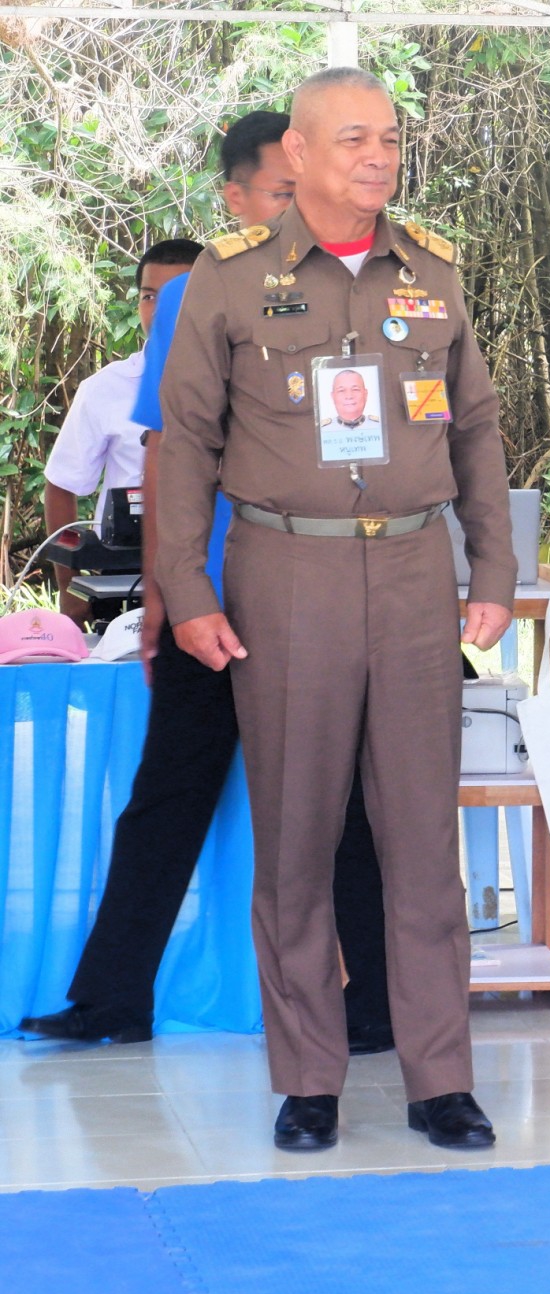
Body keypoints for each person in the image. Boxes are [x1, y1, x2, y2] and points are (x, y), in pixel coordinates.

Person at [155, 73, 512, 1150]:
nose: (379, 157)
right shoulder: (227, 280)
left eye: (390, 139)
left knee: (422, 841)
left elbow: (477, 431)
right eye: (354, 139)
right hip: (285, 574)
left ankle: (440, 1079)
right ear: (299, 155)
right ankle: (308, 1080)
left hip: (412, 573)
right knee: (296, 839)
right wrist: (186, 591)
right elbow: (186, 445)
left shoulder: (433, 272)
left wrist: (493, 572)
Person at [23, 109, 393, 1063]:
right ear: (235, 198)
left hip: (325, 595)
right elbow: (164, 455)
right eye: (282, 190)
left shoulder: (368, 282)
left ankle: (378, 1006)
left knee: (348, 805)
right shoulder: (197, 296)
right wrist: (165, 596)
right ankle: (112, 998)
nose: (304, 204)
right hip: (213, 601)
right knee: (167, 797)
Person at [42, 239, 202, 620]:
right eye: (149, 296)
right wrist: (70, 588)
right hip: (123, 585)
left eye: (175, 296)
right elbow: (62, 485)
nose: (158, 310)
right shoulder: (104, 390)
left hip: (217, 577)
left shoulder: (242, 383)